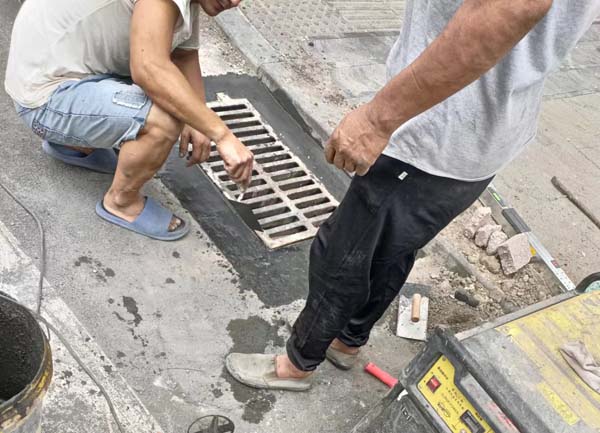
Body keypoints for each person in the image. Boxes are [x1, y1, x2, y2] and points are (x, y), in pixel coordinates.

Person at [226, 0, 600, 391]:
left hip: (437, 127)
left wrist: (377, 119)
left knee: (343, 251)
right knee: (391, 249)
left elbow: (512, 6)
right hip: (486, 132)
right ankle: (346, 341)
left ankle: (297, 364)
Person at [4, 0, 253, 241]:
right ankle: (121, 202)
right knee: (166, 117)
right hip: (44, 99)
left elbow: (183, 56)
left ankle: (71, 145)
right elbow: (148, 68)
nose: (235, 2)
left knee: (174, 94)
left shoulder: (187, 4)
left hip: (48, 72)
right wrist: (222, 134)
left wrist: (198, 120)